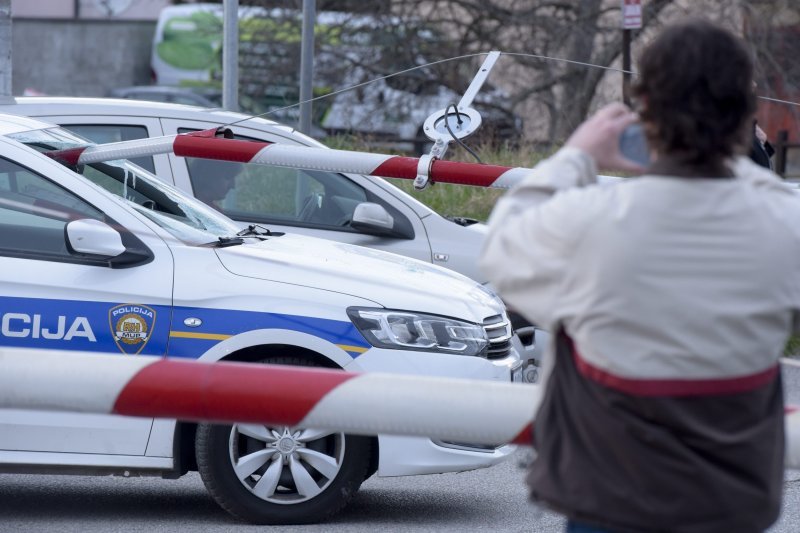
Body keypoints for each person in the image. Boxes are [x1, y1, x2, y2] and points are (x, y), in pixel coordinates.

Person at [480, 19, 800, 533]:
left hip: (609, 497)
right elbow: (753, 195)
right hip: (733, 504)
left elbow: (501, 248)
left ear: (643, 109)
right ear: (746, 111)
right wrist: (738, 151)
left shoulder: (593, 220)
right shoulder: (784, 222)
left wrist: (577, 155)